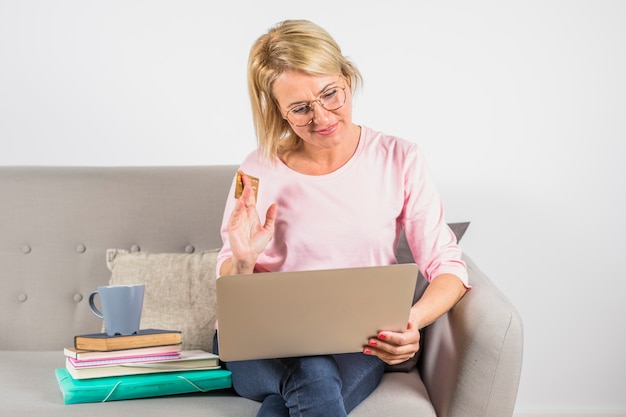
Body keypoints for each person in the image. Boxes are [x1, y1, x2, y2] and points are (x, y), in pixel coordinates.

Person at [215, 19, 469, 417]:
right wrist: (243, 261)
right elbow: (228, 282)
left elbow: (448, 266)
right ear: (279, 112)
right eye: (300, 109)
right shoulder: (255, 169)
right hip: (258, 344)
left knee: (289, 403)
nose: (323, 117)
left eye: (331, 94)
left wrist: (412, 320)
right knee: (312, 372)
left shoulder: (399, 158)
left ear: (347, 77)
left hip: (358, 341)